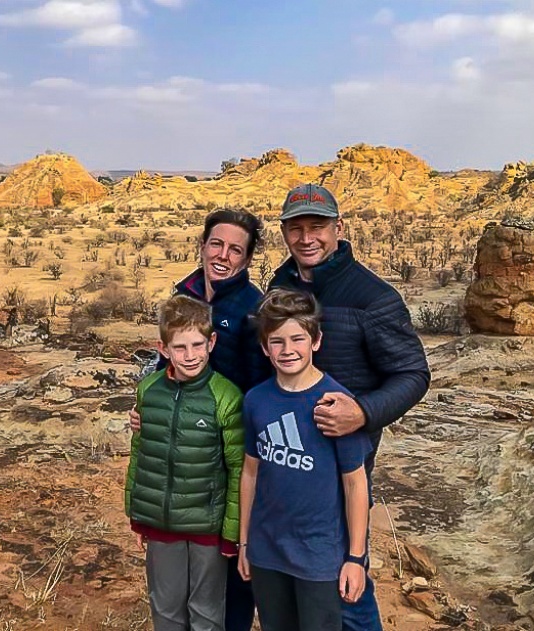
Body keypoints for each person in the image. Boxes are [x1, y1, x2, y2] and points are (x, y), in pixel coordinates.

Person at [268, 183, 431, 630]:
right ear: (284, 232)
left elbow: (413, 375)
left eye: (317, 227)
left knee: (346, 580)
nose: (307, 238)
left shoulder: (371, 296)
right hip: (285, 460)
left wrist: (361, 413)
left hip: (342, 466)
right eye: (296, 228)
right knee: (293, 577)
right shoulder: (280, 286)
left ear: (339, 227)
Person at [131, 208, 269, 631]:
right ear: (203, 244)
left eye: (235, 249)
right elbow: (161, 364)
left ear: (246, 259)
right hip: (181, 453)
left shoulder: (251, 308)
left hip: (228, 446)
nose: (223, 255)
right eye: (217, 244)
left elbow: (261, 384)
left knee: (227, 576)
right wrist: (148, 409)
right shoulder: (186, 292)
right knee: (173, 595)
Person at [238, 288, 372, 631]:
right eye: (277, 341)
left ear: (315, 341)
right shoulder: (256, 401)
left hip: (318, 557)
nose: (287, 350)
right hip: (267, 551)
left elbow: (355, 483)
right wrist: (245, 543)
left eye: (297, 338)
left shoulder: (337, 406)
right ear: (265, 347)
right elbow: (250, 473)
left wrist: (355, 558)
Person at [125, 294, 245, 631]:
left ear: (212, 342)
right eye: (180, 348)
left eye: (197, 345)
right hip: (161, 524)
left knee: (206, 611)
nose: (190, 356)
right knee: (165, 608)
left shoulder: (226, 397)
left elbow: (238, 469)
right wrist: (138, 514)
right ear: (163, 348)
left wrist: (232, 531)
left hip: (208, 526)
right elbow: (141, 455)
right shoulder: (148, 390)